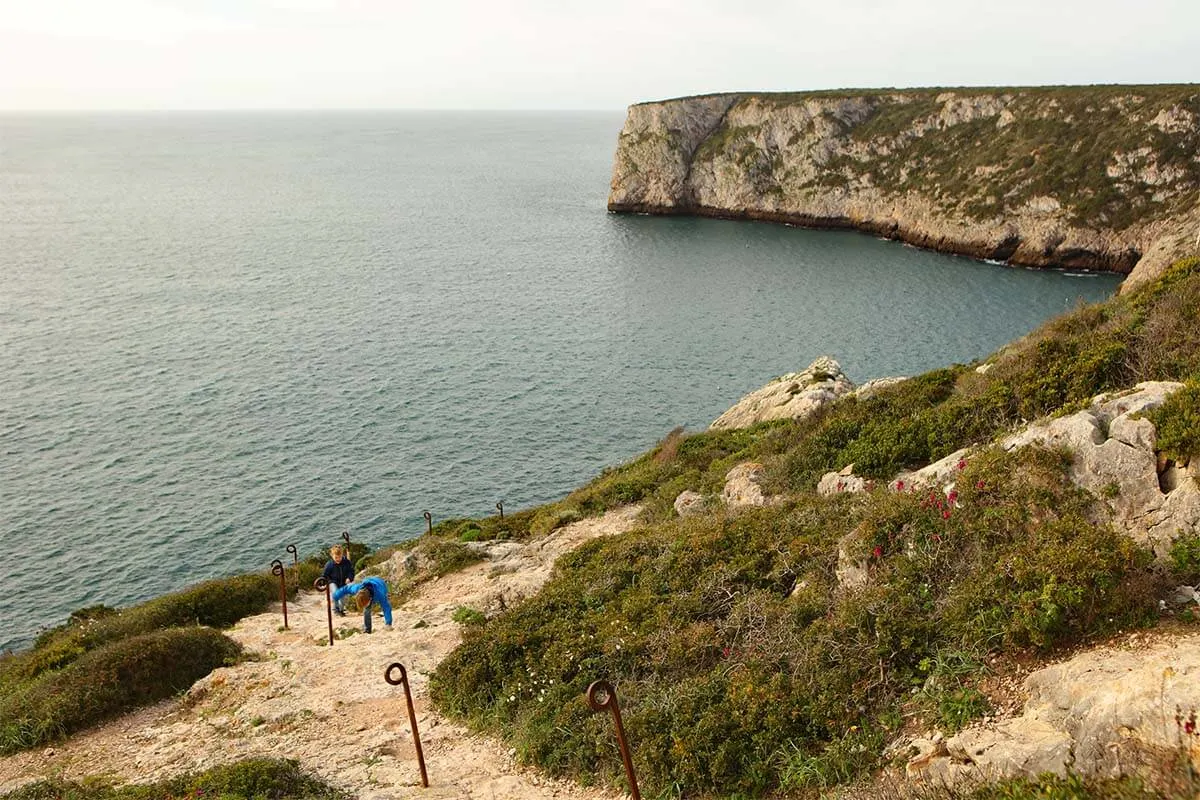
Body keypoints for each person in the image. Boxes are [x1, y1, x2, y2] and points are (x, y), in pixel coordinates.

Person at [322, 545, 356, 616]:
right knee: (336, 593)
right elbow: (324, 575)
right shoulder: (329, 564)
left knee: (343, 598)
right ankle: (336, 609)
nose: (338, 559)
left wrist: (349, 578)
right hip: (332, 582)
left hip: (343, 582)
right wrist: (324, 584)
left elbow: (351, 571)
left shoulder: (346, 562)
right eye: (336, 558)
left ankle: (341, 610)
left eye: (339, 557)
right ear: (332, 556)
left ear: (342, 555)